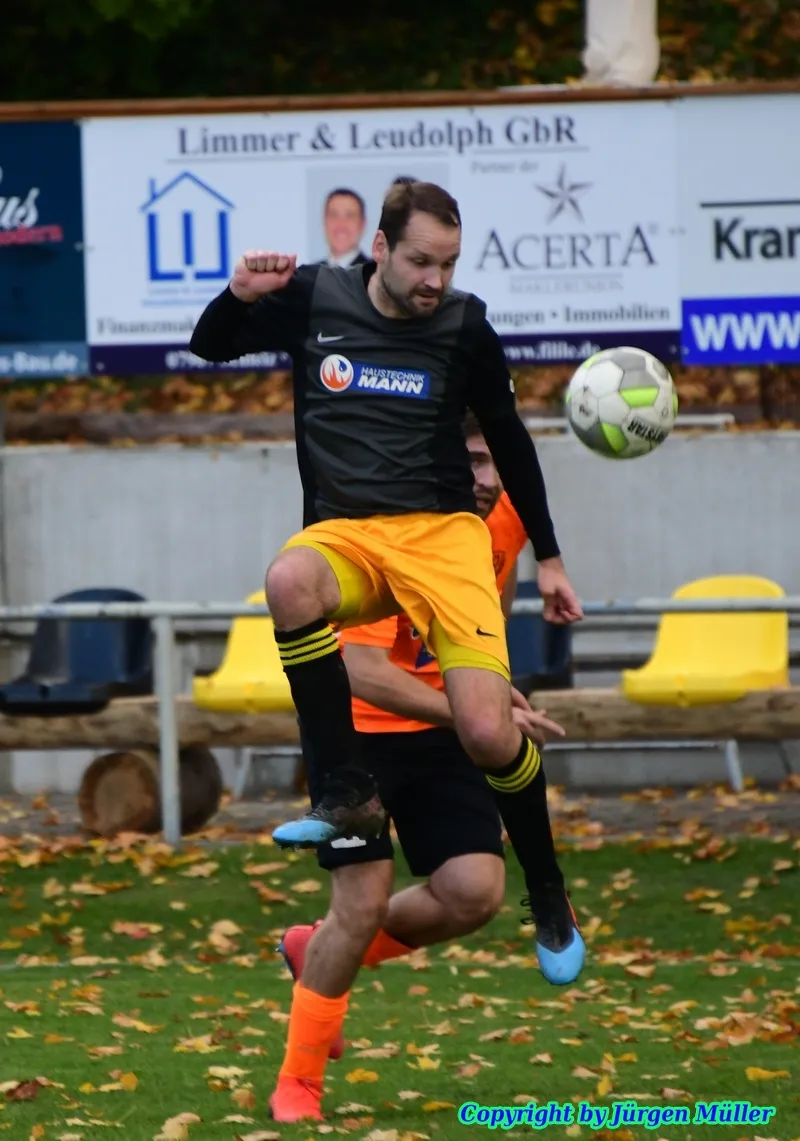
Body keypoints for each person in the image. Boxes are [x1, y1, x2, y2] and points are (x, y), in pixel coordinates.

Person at [189, 179, 583, 852]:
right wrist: (239, 294)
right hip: (349, 536)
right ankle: (348, 791)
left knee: (487, 733)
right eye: (421, 261)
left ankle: (546, 887)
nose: (436, 280)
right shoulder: (316, 296)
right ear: (380, 247)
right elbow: (210, 346)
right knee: (288, 581)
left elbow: (510, 440)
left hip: (438, 538)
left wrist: (549, 557)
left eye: (449, 264)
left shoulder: (465, 326)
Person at [267, 414, 585, 1123]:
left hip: (442, 728)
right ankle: (299, 1083)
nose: (486, 480)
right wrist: (469, 713)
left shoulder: (502, 517)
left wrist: (490, 682)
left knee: (474, 891)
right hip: (359, 737)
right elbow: (360, 669)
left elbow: (488, 601)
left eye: (493, 463)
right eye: (470, 461)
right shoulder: (386, 525)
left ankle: (316, 950)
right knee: (360, 906)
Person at [318, 188, 369, 267]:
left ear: (362, 225)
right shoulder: (309, 273)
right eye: (334, 215)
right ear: (324, 222)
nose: (341, 224)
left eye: (349, 216)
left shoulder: (376, 272)